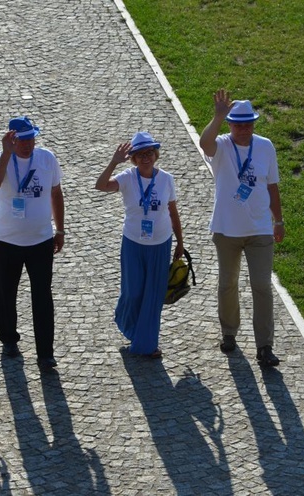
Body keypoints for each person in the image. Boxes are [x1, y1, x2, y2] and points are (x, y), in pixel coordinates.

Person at [199, 89, 285, 367]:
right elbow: (204, 143)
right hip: (227, 230)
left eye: (248, 124)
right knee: (228, 284)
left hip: (259, 229)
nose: (243, 129)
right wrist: (217, 116)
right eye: (238, 124)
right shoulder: (222, 144)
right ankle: (229, 333)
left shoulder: (266, 146)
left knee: (261, 286)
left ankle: (265, 345)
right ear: (230, 125)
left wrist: (279, 220)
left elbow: (272, 186)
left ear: (254, 124)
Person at [95, 132, 184, 358]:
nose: (146, 157)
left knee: (153, 296)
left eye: (149, 153)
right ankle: (128, 323)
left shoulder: (166, 179)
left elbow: (173, 212)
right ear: (133, 158)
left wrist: (180, 242)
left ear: (155, 155)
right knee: (132, 292)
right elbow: (101, 185)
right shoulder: (127, 177)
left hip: (161, 243)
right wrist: (114, 162)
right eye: (140, 154)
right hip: (133, 242)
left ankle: (146, 345)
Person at [0, 116, 65, 370]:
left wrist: (60, 229)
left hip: (40, 240)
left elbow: (55, 192)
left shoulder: (46, 159)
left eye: (31, 138)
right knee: (6, 293)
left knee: (42, 295)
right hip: (7, 240)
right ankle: (8, 338)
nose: (27, 144)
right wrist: (5, 154)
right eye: (22, 140)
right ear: (11, 139)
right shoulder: (3, 159)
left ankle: (45, 353)